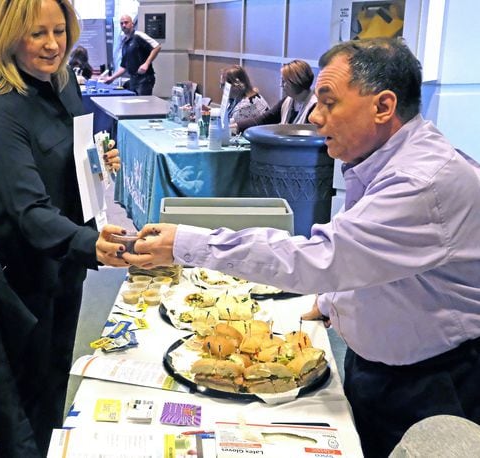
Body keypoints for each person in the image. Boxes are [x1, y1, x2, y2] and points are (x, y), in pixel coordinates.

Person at [126, 38, 480, 458]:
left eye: (329, 103)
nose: (314, 116)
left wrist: (187, 242)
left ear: (383, 107)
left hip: (433, 380)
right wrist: (333, 303)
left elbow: (320, 257)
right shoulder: (381, 159)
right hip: (382, 367)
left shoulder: (421, 182)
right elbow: (372, 257)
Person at [0, 0, 127, 452]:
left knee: (57, 376)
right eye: (37, 33)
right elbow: (29, 211)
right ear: (10, 35)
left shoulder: (64, 85)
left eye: (59, 31)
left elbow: (75, 161)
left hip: (65, 265)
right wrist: (92, 244)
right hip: (22, 276)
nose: (52, 44)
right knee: (22, 398)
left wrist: (102, 162)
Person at [233, 59, 317, 133]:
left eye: (284, 82)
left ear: (296, 82)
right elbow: (264, 120)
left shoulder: (314, 107)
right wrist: (235, 126)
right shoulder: (287, 101)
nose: (281, 85)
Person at [102, 15, 161, 95]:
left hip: (144, 79)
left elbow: (157, 46)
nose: (124, 25)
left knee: (142, 105)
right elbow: (124, 67)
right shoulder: (125, 43)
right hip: (133, 79)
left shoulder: (138, 35)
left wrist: (146, 64)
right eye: (121, 23)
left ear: (132, 24)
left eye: (126, 22)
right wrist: (112, 78)